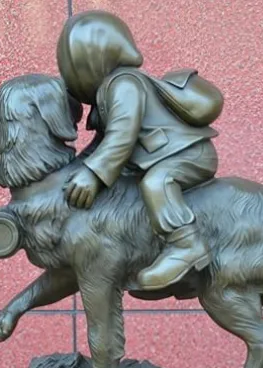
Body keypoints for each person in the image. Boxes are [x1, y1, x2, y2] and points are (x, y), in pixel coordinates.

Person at [57, 10, 221, 290]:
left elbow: (122, 136)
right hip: (162, 158)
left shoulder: (125, 84)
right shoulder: (108, 93)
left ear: (93, 59)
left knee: (157, 183)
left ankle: (186, 245)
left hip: (187, 156)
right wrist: (78, 170)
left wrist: (93, 175)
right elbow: (102, 143)